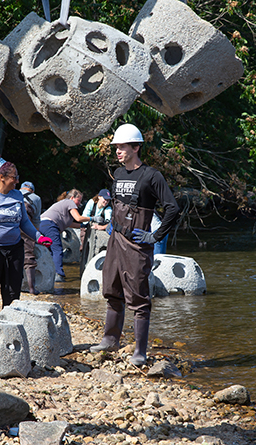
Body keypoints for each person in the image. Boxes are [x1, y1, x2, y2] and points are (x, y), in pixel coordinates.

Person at [89, 123, 180, 366]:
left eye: (122, 146)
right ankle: (110, 339)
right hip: (115, 241)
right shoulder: (117, 175)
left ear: (136, 147)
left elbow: (172, 208)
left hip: (138, 246)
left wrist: (155, 236)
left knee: (139, 298)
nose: (117, 151)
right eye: (116, 147)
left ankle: (140, 351)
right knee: (111, 288)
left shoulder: (152, 176)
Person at [0, 155, 52, 318]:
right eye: (14, 177)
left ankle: (8, 332)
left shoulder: (17, 196)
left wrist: (39, 237)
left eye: (17, 177)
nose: (17, 181)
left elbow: (24, 222)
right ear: (1, 178)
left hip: (14, 249)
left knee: (12, 295)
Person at [40, 189, 104, 282]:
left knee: (51, 251)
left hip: (42, 225)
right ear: (72, 197)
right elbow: (78, 218)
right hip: (50, 225)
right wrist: (93, 218)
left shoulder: (63, 205)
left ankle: (49, 275)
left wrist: (83, 226)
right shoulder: (70, 202)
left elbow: (69, 224)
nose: (79, 203)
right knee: (57, 250)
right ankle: (58, 275)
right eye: (79, 200)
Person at [20, 181, 42, 295]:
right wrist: (36, 235)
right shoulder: (36, 198)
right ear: (32, 190)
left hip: (10, 223)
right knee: (28, 256)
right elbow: (37, 219)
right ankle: (32, 289)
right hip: (26, 224)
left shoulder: (14, 193)